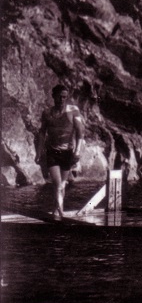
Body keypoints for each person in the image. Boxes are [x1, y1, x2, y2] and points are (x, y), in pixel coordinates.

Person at [36, 85, 85, 219]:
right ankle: (61, 215)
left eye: (65, 97)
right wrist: (38, 152)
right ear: (53, 96)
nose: (62, 99)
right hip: (52, 152)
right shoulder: (47, 113)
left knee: (62, 185)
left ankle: (55, 210)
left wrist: (77, 152)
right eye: (59, 96)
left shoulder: (73, 111)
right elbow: (42, 133)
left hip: (67, 153)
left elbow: (80, 132)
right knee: (57, 184)